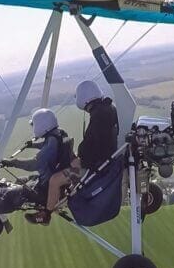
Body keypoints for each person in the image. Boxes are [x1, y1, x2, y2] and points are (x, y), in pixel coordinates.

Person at [0, 108, 71, 225]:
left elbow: (33, 164)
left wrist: (12, 162)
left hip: (45, 189)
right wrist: (33, 145)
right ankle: (40, 208)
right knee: (20, 180)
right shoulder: (59, 134)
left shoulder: (52, 143)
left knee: (10, 196)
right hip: (52, 179)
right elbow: (46, 146)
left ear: (42, 124)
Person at [42, 80, 120, 214]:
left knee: (55, 180)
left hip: (96, 168)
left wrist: (80, 160)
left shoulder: (98, 115)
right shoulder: (108, 107)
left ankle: (46, 214)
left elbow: (94, 145)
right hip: (104, 162)